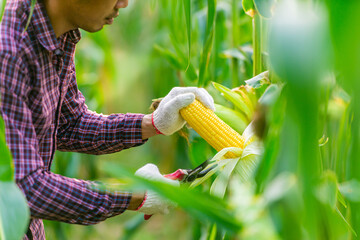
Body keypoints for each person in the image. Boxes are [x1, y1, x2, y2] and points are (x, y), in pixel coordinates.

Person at [0, 0, 215, 239]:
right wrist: (133, 195)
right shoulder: (9, 52)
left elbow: (69, 124)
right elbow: (23, 187)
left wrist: (153, 123)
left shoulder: (58, 33)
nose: (123, 3)